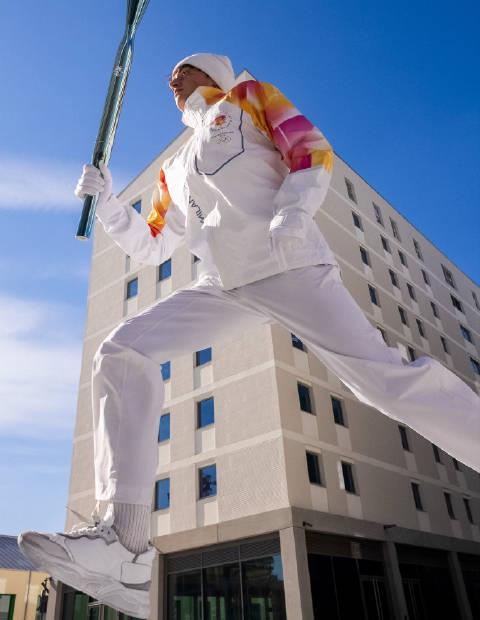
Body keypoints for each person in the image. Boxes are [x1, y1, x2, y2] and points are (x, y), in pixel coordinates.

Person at [19, 53, 480, 618]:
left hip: (287, 261)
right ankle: (125, 544)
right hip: (225, 283)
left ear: (214, 72)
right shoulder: (174, 168)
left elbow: (311, 150)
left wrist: (292, 214)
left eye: (185, 68)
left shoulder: (250, 98)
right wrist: (110, 204)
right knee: (120, 350)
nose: (173, 78)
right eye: (170, 76)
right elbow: (154, 244)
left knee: (382, 384)